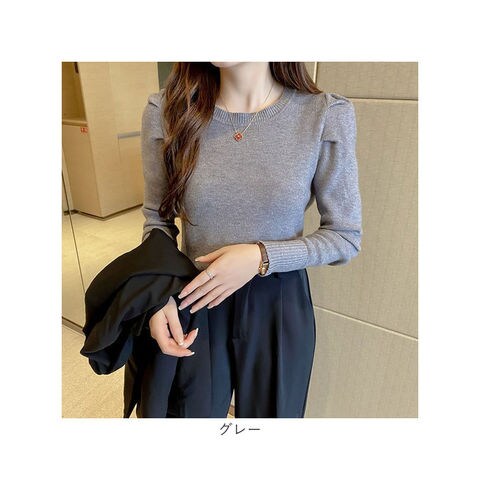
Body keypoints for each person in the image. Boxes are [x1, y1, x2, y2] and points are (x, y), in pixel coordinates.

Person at [140, 62, 363, 418]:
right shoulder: (167, 112)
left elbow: (345, 236)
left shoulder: (323, 115)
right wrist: (156, 295)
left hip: (278, 304)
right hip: (194, 299)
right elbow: (157, 220)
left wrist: (261, 257)